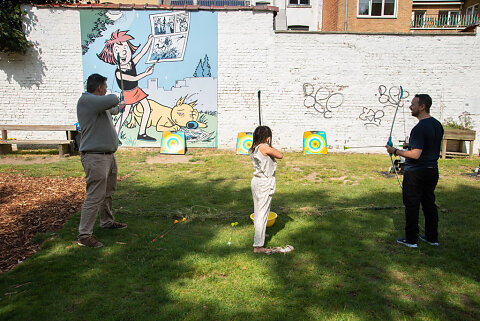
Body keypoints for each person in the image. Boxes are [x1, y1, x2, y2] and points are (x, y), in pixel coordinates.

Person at [76, 73, 128, 248]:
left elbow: (113, 109)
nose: (106, 90)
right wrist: (118, 97)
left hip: (108, 156)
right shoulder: (87, 101)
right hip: (95, 157)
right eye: (105, 87)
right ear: (99, 87)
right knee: (94, 196)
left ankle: (107, 222)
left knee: (107, 192)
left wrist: (121, 106)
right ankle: (84, 235)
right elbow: (112, 100)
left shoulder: (98, 105)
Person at [385, 94, 444, 248]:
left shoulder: (419, 128)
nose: (410, 107)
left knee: (412, 205)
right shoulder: (437, 125)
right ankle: (432, 237)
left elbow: (416, 155)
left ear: (422, 106)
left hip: (417, 173)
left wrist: (395, 151)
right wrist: (409, 146)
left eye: (413, 104)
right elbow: (427, 147)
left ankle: (411, 240)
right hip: (432, 171)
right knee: (429, 204)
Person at [97, 30, 156, 142]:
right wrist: (146, 73)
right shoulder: (119, 72)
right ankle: (114, 136)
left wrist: (149, 41)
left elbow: (142, 53)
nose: (123, 53)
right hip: (128, 93)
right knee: (124, 115)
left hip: (136, 90)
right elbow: (133, 78)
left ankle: (142, 133)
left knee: (147, 109)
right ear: (112, 55)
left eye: (125, 49)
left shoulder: (132, 63)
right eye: (118, 51)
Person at [249, 126, 283, 254]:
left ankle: (260, 235)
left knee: (259, 211)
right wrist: (268, 142)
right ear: (266, 137)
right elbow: (280, 155)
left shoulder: (254, 147)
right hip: (263, 183)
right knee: (262, 213)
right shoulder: (264, 147)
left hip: (257, 181)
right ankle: (258, 246)